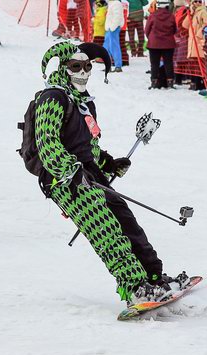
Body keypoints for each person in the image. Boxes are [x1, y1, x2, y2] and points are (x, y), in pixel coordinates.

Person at [33, 41, 190, 306]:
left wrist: (108, 163)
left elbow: (88, 146)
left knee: (126, 221)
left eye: (87, 67)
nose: (83, 72)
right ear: (62, 68)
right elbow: (47, 142)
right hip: (65, 180)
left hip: (90, 174)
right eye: (75, 67)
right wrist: (69, 171)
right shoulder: (52, 98)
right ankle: (134, 288)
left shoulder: (82, 103)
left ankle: (153, 276)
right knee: (106, 231)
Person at [145, 0, 177, 88]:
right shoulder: (171, 16)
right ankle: (170, 82)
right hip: (168, 43)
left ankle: (154, 82)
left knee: (154, 64)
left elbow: (147, 30)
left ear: (158, 6)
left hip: (154, 44)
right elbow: (174, 29)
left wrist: (151, 38)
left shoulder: (152, 16)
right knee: (168, 63)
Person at [182, 0, 207, 91]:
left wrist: (198, 34)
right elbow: (185, 25)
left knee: (199, 63)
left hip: (198, 41)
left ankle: (200, 83)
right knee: (193, 64)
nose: (198, 3)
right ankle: (194, 82)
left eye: (199, 1)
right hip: (192, 42)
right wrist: (190, 13)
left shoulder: (203, 12)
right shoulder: (193, 13)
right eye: (196, 1)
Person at [104, 0, 125, 72]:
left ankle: (118, 66)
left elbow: (118, 17)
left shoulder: (116, 3)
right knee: (106, 47)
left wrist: (113, 27)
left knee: (114, 47)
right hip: (109, 28)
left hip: (113, 28)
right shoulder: (111, 3)